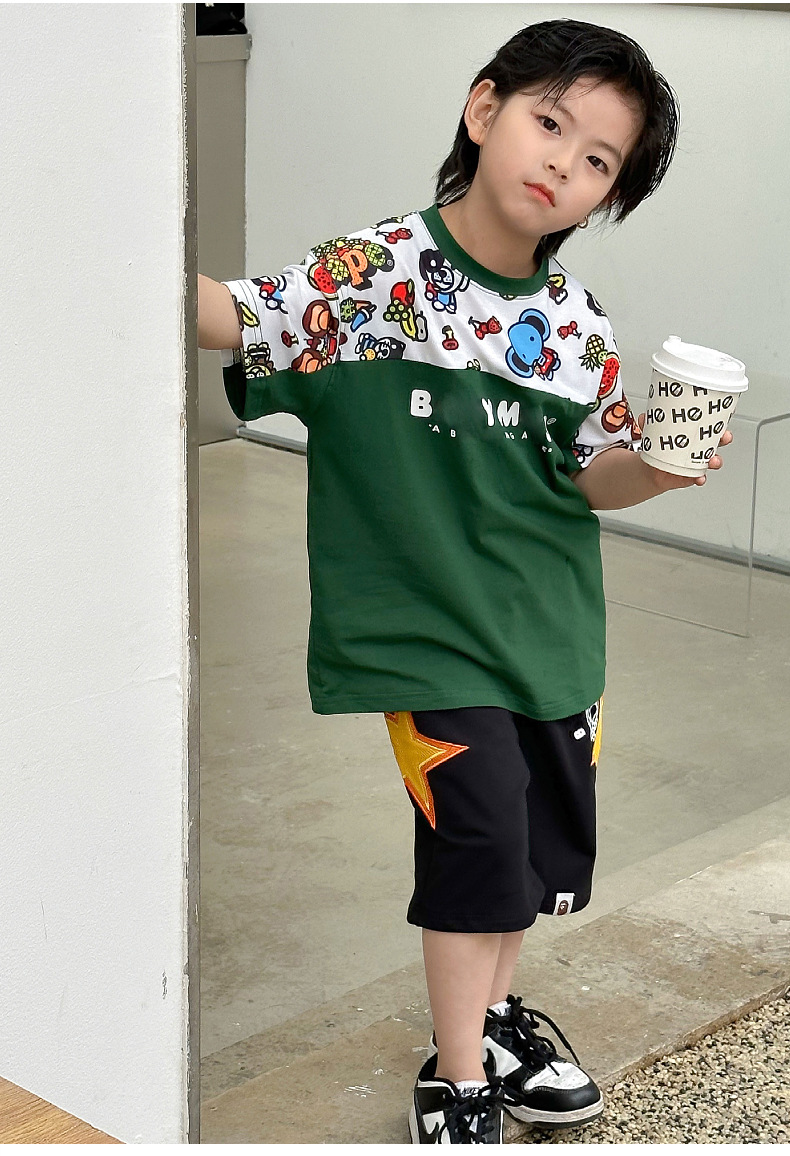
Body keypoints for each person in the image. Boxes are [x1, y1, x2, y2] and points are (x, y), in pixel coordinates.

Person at [198, 18, 733, 1144]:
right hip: (424, 633)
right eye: (550, 123)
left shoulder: (575, 327)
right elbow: (233, 317)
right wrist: (83, 224)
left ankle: (493, 1018)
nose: (563, 163)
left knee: (530, 850)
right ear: (484, 109)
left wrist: (659, 468)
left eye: (599, 160)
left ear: (609, 195)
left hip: (547, 628)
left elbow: (590, 473)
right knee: (478, 838)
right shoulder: (373, 278)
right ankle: (457, 1079)